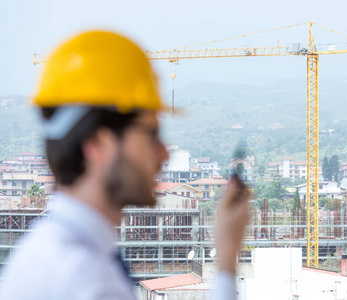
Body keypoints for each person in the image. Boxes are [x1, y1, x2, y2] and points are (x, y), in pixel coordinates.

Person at [0, 30, 250, 299]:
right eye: (151, 135)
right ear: (99, 143)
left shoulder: (55, 254)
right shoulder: (86, 280)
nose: (164, 153)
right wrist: (225, 266)